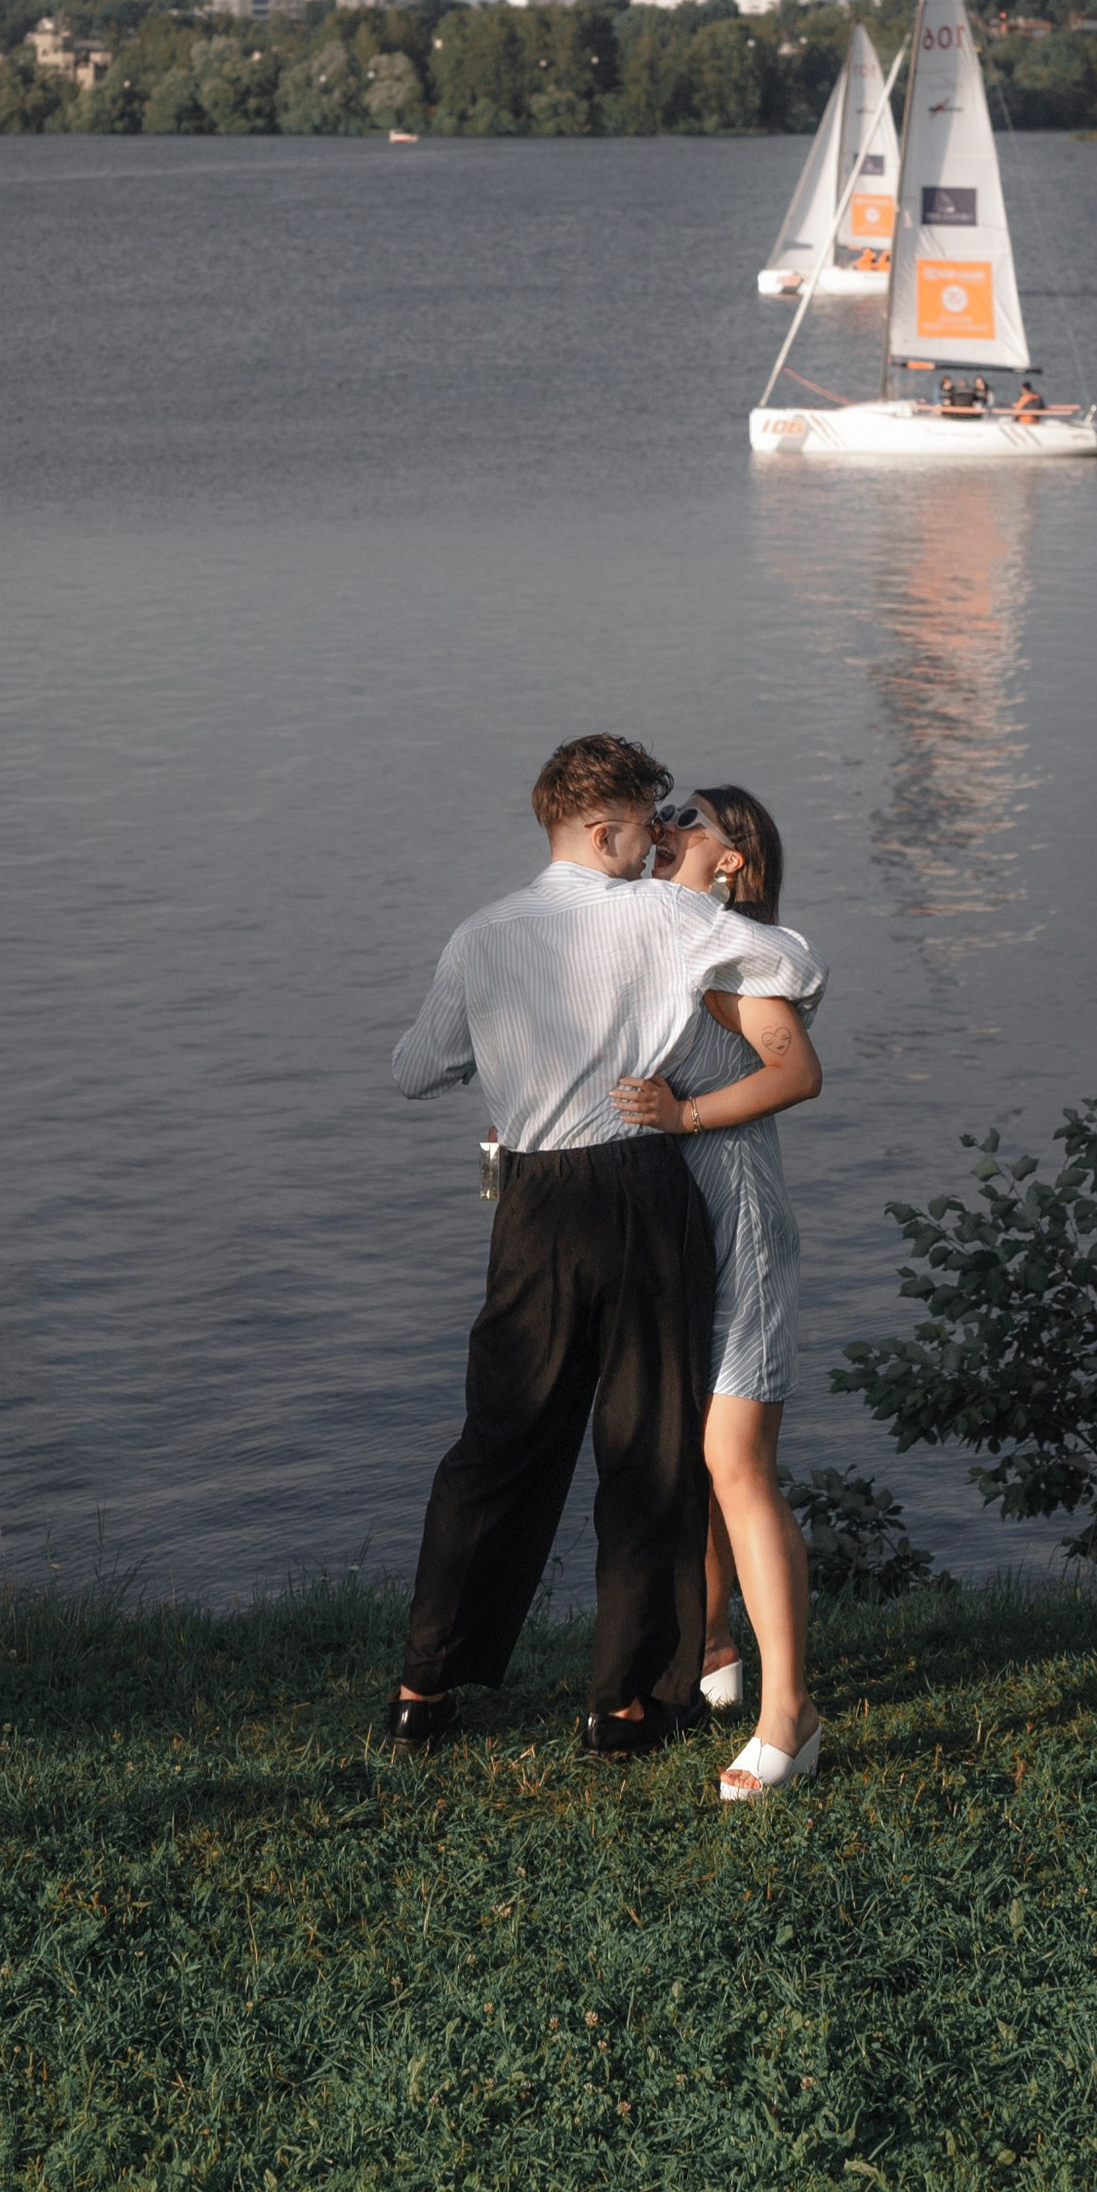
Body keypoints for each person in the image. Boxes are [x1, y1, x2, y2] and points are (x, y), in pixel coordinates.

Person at [388, 734, 823, 1759]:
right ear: (604, 827)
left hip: (530, 1201)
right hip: (635, 1189)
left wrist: (495, 1061)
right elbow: (799, 964)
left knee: (495, 1446)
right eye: (641, 828)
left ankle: (423, 1689)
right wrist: (711, 923)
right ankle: (622, 1706)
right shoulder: (671, 918)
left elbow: (414, 1068)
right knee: (644, 1454)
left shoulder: (480, 933)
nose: (650, 844)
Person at [614, 786, 827, 1804]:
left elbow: (795, 1071)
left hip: (735, 1222)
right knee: (685, 1454)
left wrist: (685, 1114)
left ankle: (791, 1714)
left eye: (685, 817)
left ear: (732, 860)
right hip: (668, 1230)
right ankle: (708, 1649)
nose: (662, 827)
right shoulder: (667, 948)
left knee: (734, 1460)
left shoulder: (736, 956)